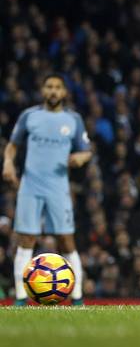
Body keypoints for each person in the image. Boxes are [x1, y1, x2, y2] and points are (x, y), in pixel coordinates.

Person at [3, 74, 92, 306]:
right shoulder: (29, 116)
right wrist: (8, 163)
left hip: (58, 188)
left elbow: (86, 150)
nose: (53, 91)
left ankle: (78, 297)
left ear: (64, 93)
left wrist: (80, 158)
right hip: (30, 186)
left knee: (66, 240)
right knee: (26, 239)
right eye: (49, 87)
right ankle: (21, 298)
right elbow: (12, 146)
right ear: (43, 91)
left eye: (57, 88)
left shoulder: (73, 119)